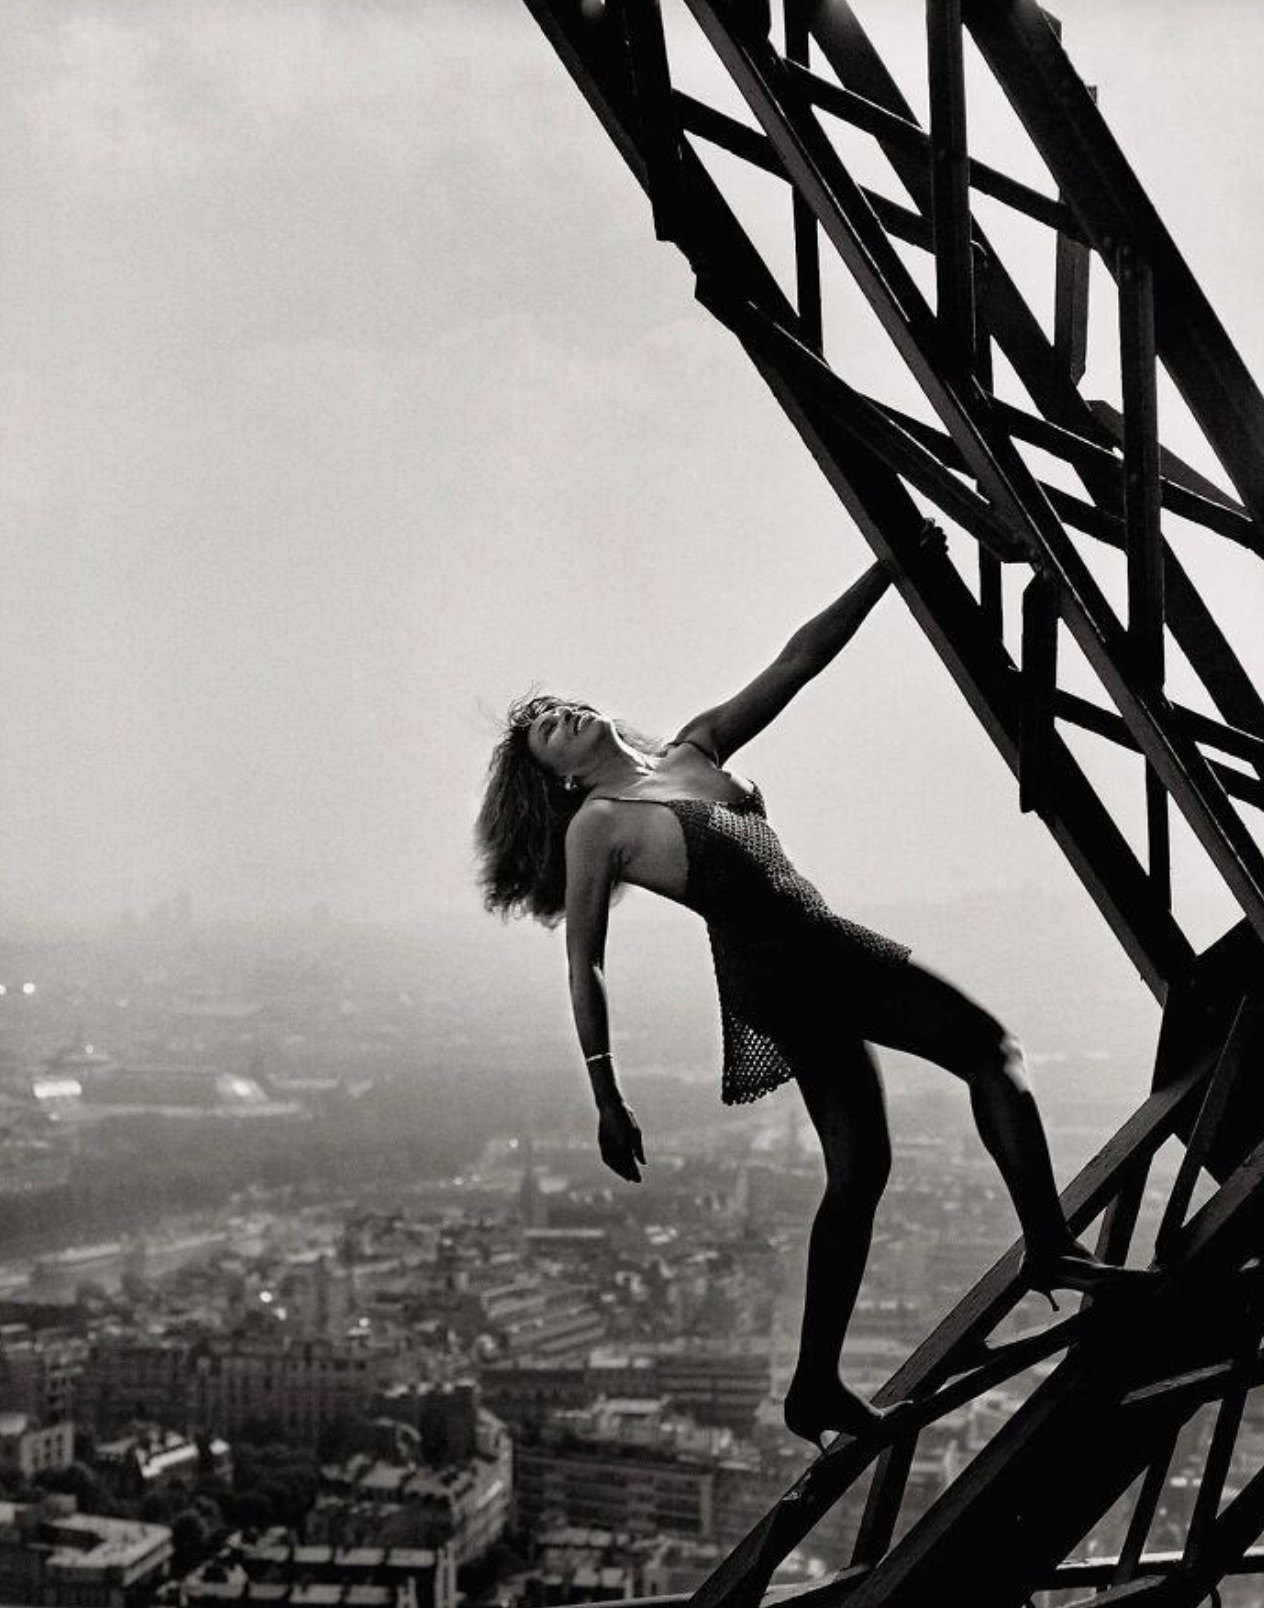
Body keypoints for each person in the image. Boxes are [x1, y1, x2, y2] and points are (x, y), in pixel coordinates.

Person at [475, 553, 1149, 1449]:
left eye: (558, 707)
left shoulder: (695, 747)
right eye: (546, 733)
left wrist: (888, 572)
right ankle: (1051, 1246)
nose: (560, 717)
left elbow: (796, 662)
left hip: (807, 953)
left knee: (862, 1169)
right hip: (787, 968)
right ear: (557, 777)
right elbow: (584, 961)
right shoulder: (599, 825)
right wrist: (607, 1093)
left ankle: (815, 1389)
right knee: (993, 1053)